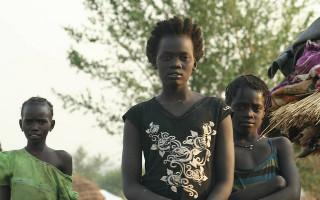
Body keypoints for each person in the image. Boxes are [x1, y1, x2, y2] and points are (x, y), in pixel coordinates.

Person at [121, 16, 234, 200]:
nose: (175, 63)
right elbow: (131, 186)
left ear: (195, 62)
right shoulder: (137, 116)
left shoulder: (218, 111)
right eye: (166, 57)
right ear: (154, 60)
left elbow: (225, 182)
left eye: (184, 57)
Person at [225, 75, 301, 200]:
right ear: (228, 108)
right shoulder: (221, 150)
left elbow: (294, 193)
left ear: (264, 111)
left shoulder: (279, 146)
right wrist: (276, 184)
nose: (249, 114)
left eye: (256, 108)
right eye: (240, 107)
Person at [0, 97, 79, 200]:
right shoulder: (8, 160)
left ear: (52, 125)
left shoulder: (62, 159)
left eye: (41, 122)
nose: (35, 127)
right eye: (28, 122)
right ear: (21, 124)